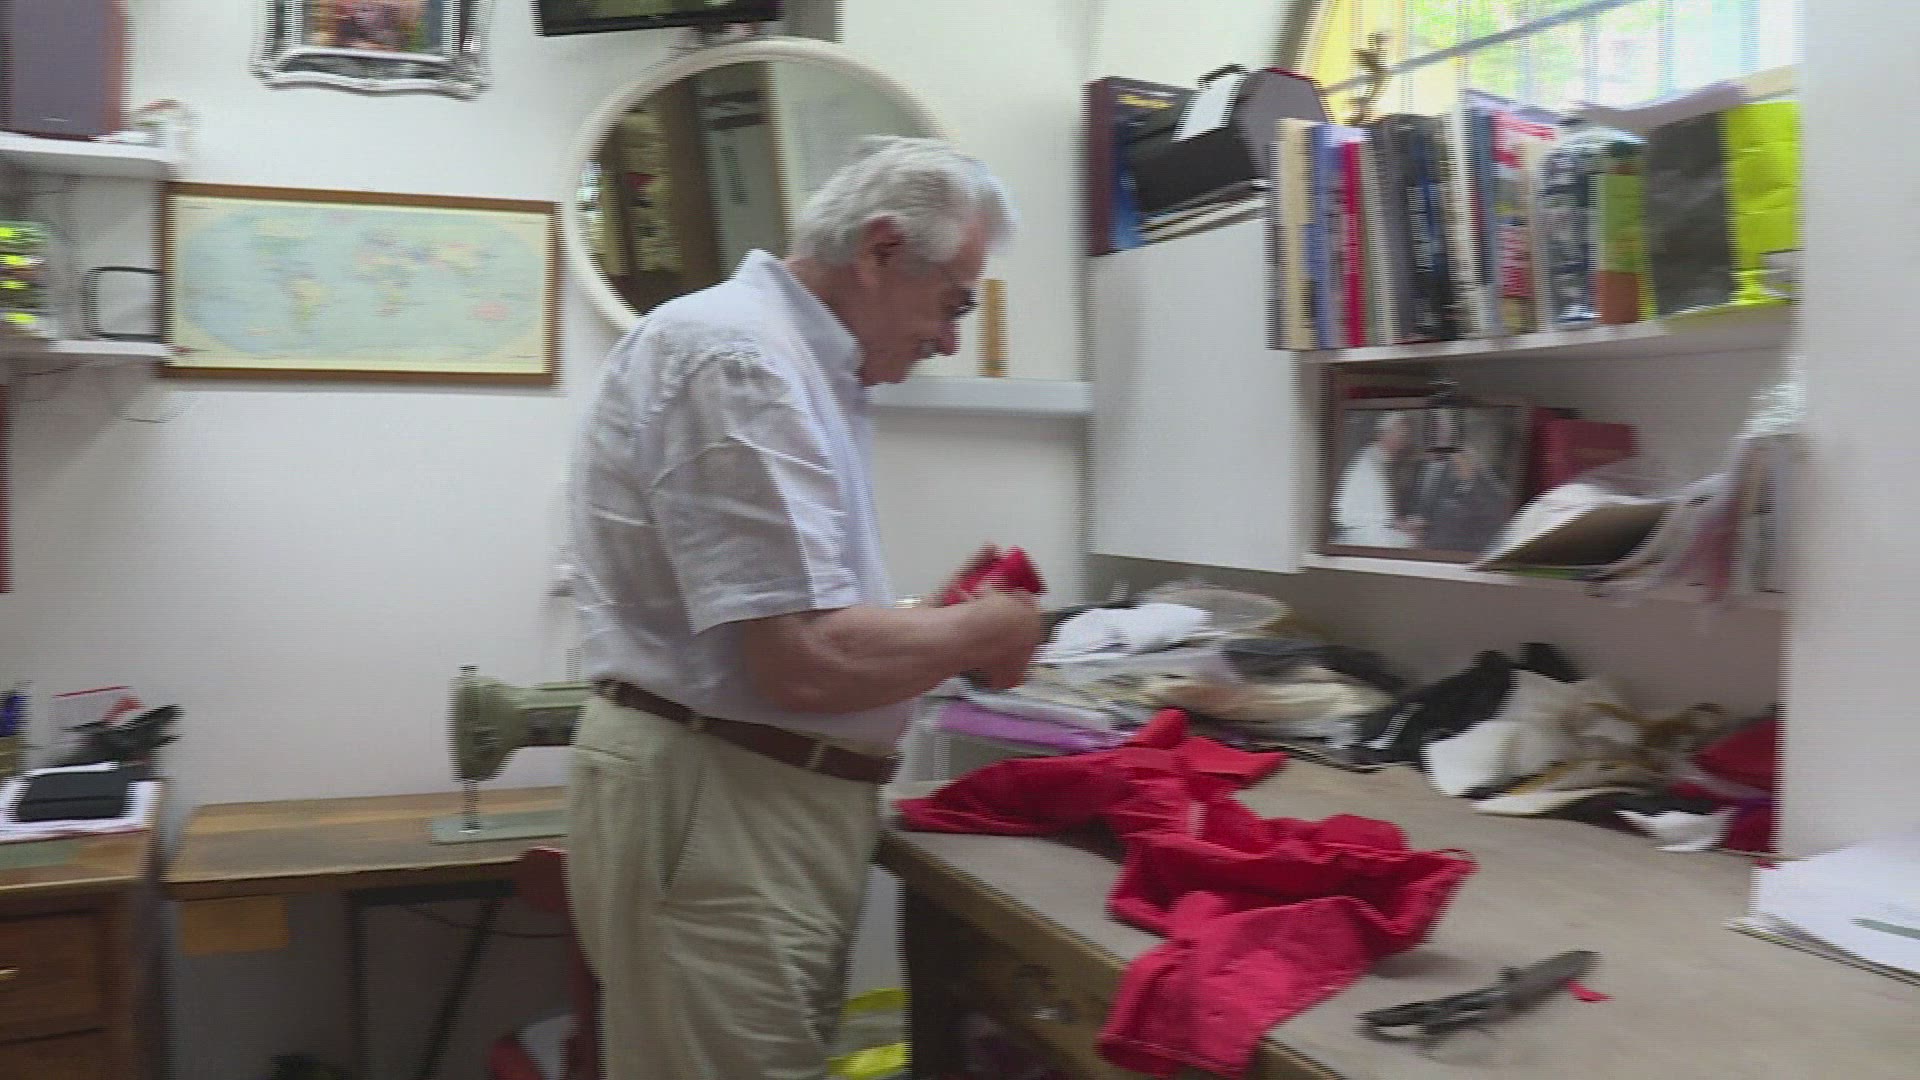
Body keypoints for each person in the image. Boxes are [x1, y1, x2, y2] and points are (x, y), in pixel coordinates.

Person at [564, 136, 1048, 1080]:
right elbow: (800, 662)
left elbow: (791, 630)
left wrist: (923, 623)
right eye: (953, 303)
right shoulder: (738, 357)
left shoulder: (800, 367)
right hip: (724, 802)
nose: (950, 339)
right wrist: (985, 630)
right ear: (879, 250)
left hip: (749, 797)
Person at [1330, 411, 1421, 548]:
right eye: (1401, 435)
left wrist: (1404, 524)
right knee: (1412, 543)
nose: (1404, 442)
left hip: (1374, 529)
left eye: (1406, 436)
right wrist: (1404, 526)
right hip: (1363, 532)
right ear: (1383, 435)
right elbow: (1374, 516)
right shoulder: (1368, 463)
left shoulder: (1382, 459)